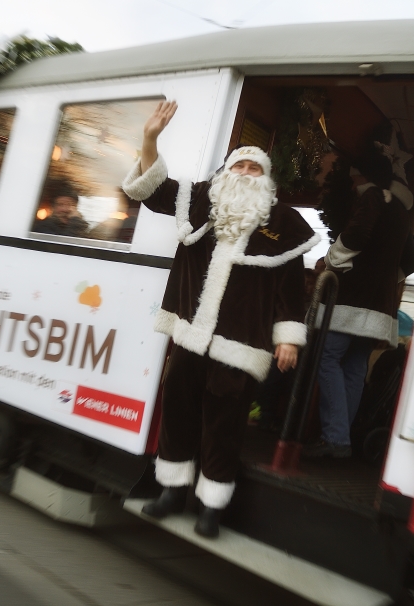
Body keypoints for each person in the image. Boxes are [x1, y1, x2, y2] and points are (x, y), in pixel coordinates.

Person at [122, 100, 318, 537]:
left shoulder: (284, 225)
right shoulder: (199, 202)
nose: (246, 173)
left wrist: (287, 338)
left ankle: (213, 505)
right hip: (190, 334)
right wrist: (150, 138)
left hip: (241, 342)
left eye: (255, 169)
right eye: (240, 166)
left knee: (225, 423)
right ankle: (171, 490)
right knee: (178, 411)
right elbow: (150, 189)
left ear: (266, 181)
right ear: (226, 173)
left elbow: (290, 291)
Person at [305, 130, 414, 459]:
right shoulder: (400, 211)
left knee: (327, 359)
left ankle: (335, 440)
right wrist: (385, 278)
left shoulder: (372, 197)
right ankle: (341, 439)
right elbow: (413, 261)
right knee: (355, 368)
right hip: (379, 306)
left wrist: (330, 262)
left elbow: (355, 236)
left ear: (363, 175)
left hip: (351, 299)